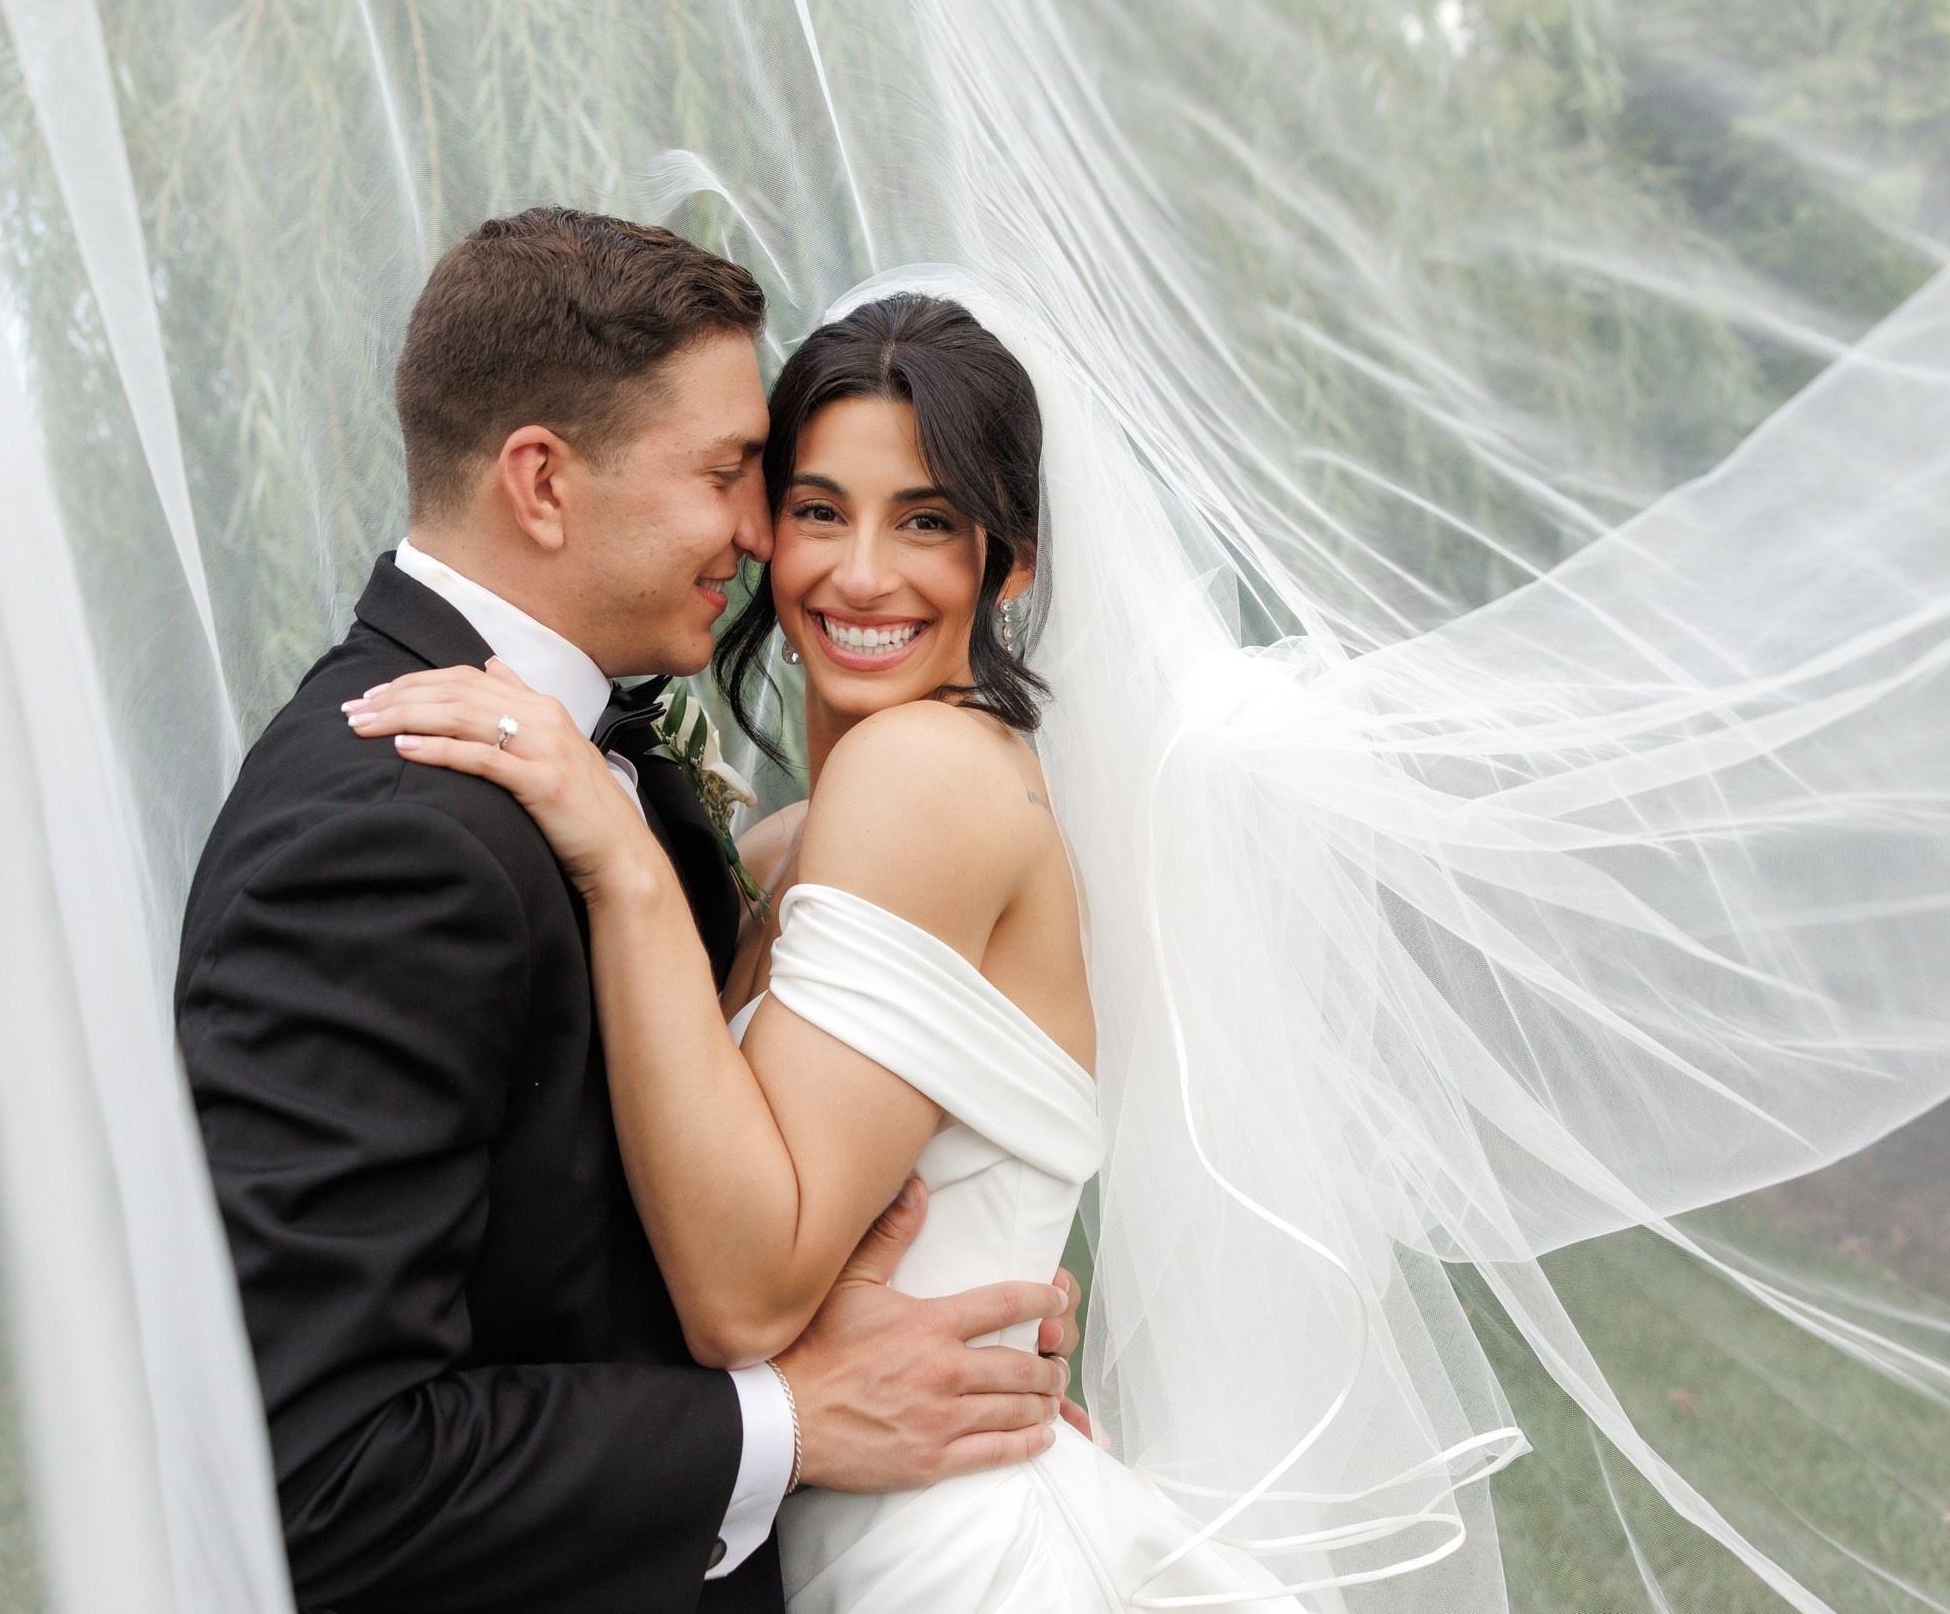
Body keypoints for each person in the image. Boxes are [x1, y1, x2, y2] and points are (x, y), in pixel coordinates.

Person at [175, 214, 1081, 1614]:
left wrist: (958, 1325)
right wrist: (800, 1420)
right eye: (743, 477)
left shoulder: (605, 778)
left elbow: (689, 1178)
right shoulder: (388, 834)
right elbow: (321, 1475)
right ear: (541, 480)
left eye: (921, 520)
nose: (765, 535)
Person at [348, 291, 1303, 1610]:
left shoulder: (925, 777)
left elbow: (742, 1301)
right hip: (875, 1526)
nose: (859, 573)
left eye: (925, 520)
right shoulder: (816, 835)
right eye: (817, 509)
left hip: (953, 1555)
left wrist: (619, 863)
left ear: (1007, 562)